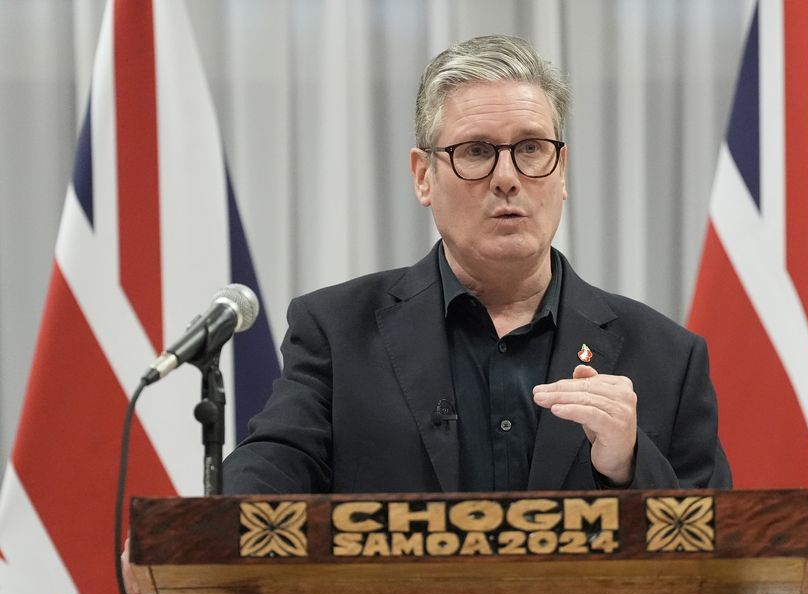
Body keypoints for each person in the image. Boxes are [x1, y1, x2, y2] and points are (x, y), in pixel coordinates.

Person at [220, 34, 731, 494]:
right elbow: (269, 472)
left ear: (562, 172)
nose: (507, 177)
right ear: (423, 176)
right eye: (476, 150)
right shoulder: (336, 332)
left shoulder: (666, 357)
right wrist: (186, 539)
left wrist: (630, 464)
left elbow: (721, 552)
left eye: (531, 148)